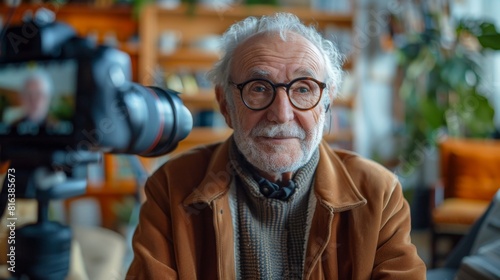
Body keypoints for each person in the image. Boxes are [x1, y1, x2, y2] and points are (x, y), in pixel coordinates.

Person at [127, 13, 426, 279]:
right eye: (258, 88)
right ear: (225, 105)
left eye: (303, 89)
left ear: (326, 103)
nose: (281, 114)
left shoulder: (379, 193)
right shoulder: (170, 187)